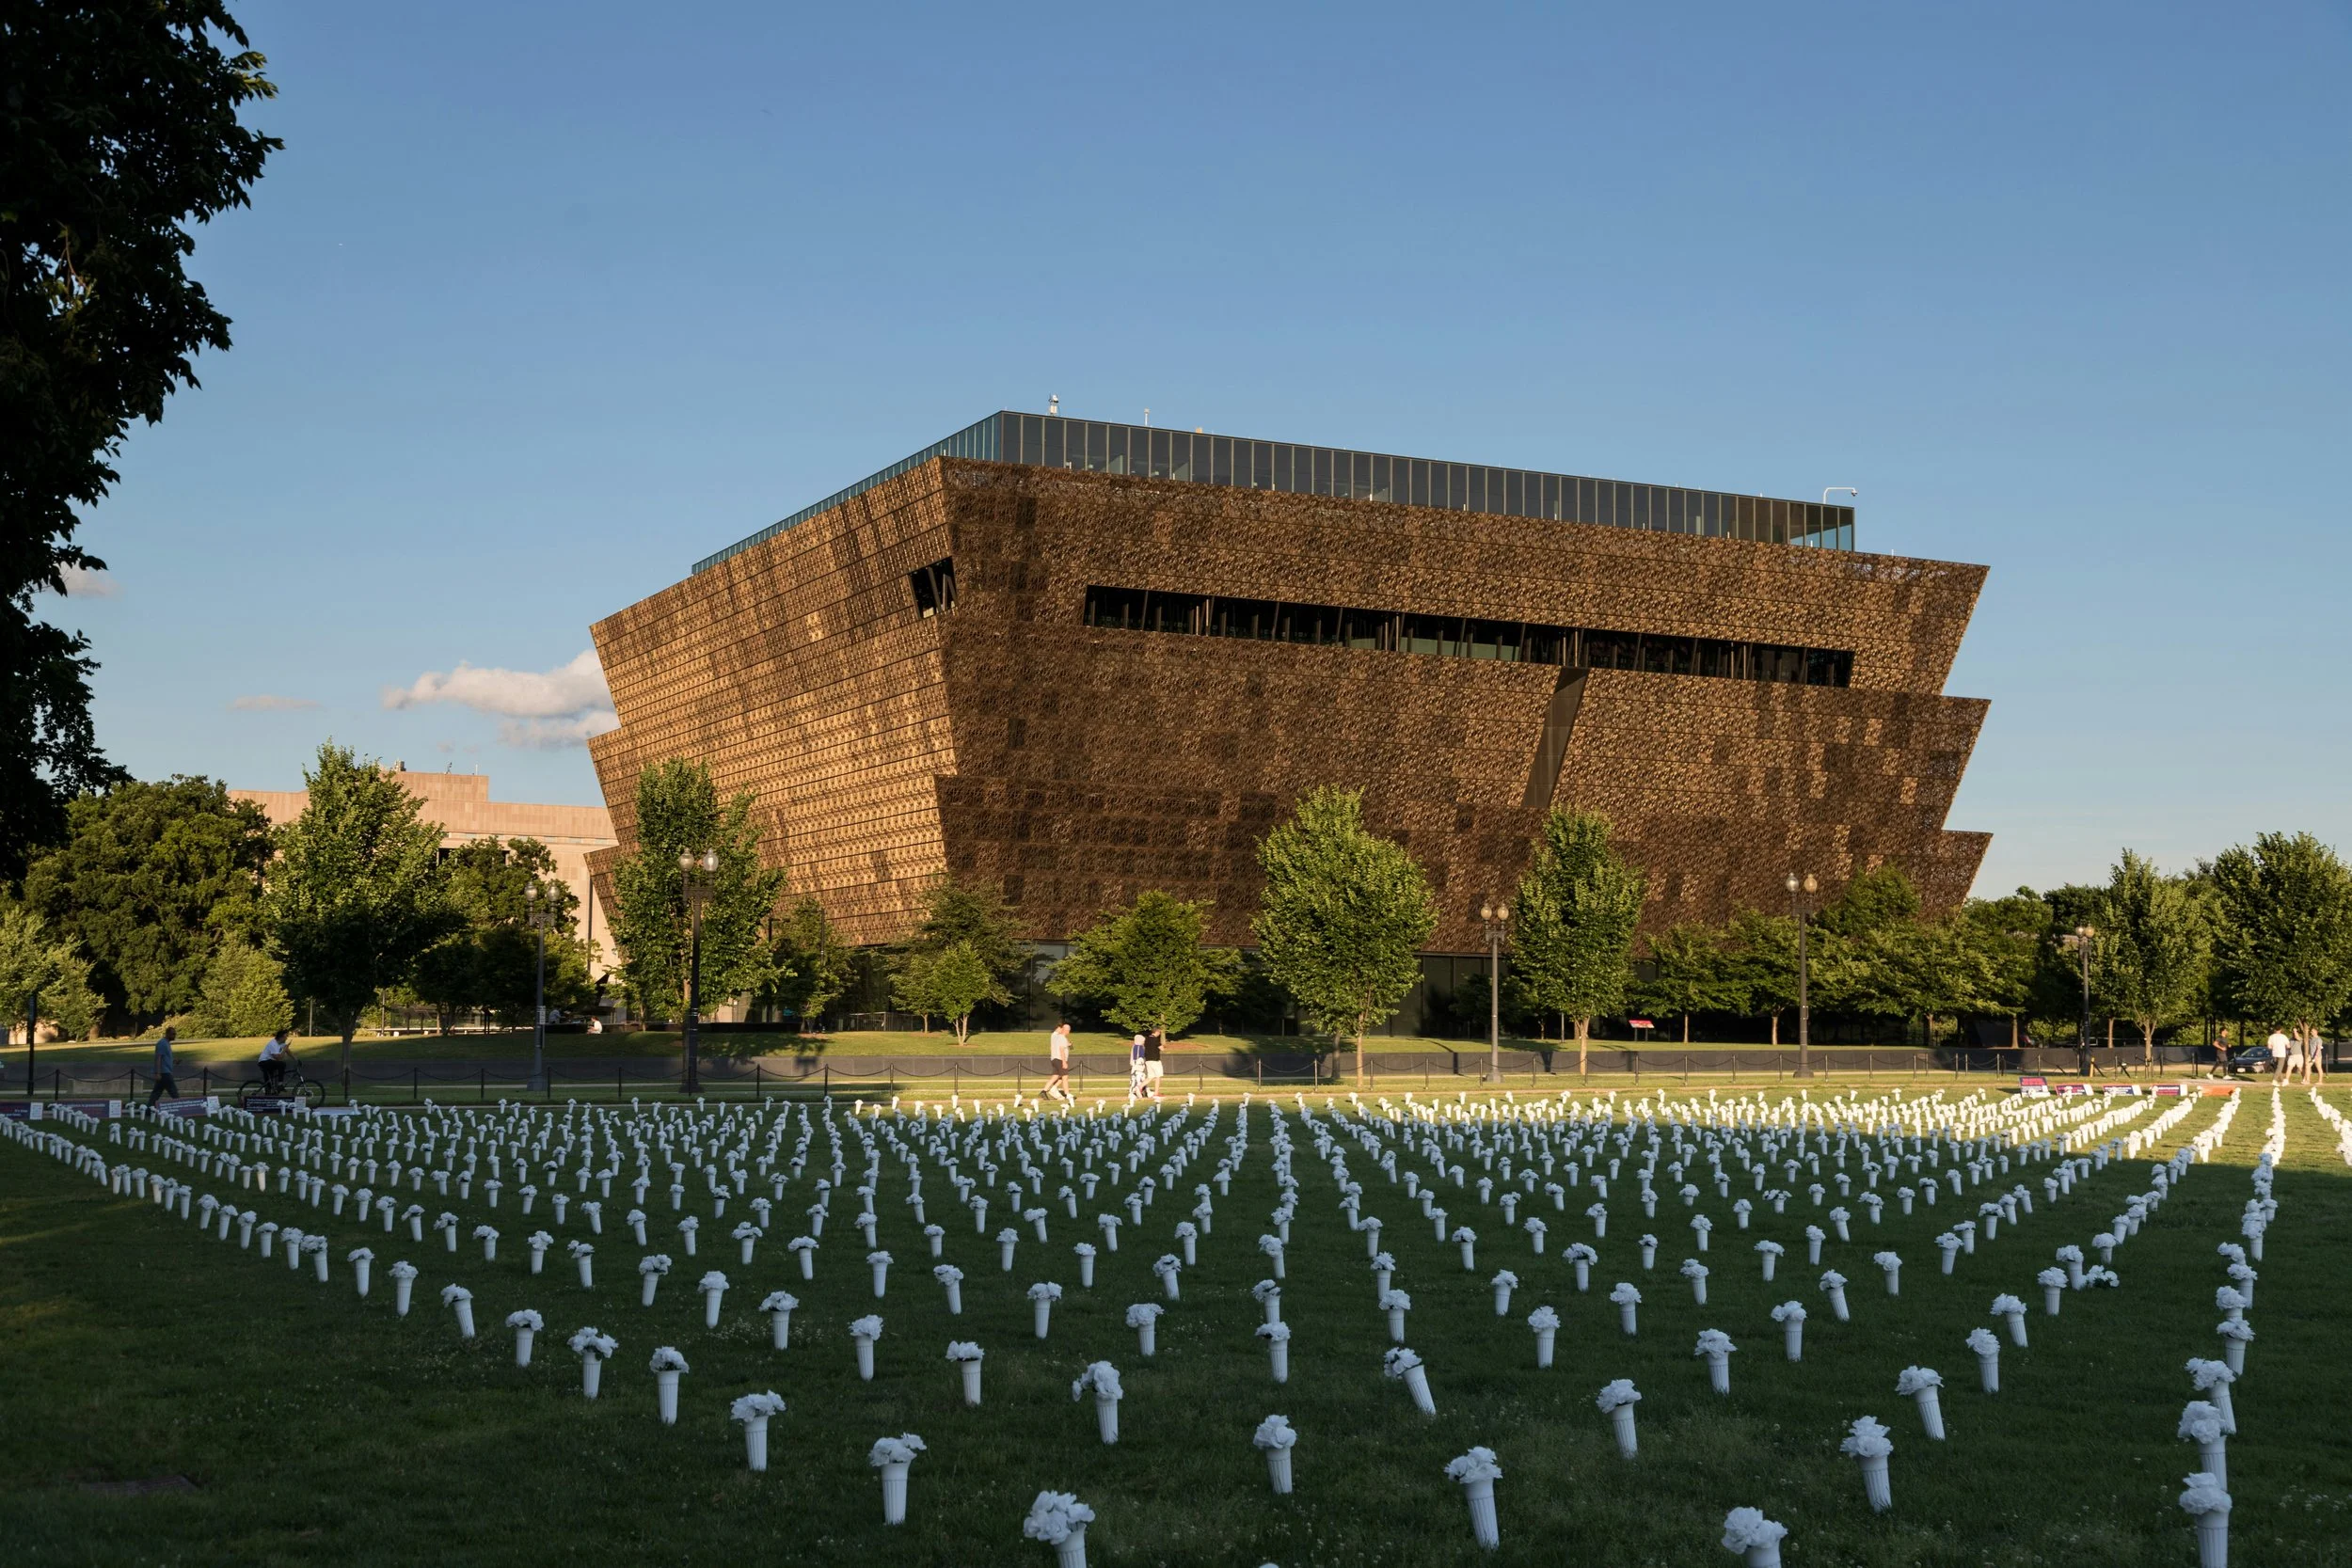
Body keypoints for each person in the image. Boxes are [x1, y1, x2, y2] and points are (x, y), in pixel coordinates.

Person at [148, 1025, 179, 1108]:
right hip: (164, 1073)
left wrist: (173, 1061)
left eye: (175, 1034)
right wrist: (158, 1073)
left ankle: (149, 1110)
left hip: (165, 1072)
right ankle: (180, 1109)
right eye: (172, 1034)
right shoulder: (162, 1043)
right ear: (167, 1034)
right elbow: (158, 1058)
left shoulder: (166, 1043)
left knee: (156, 1093)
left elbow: (165, 1058)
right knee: (174, 1092)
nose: (174, 1036)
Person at [1045, 1022, 1073, 1102]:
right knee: (1065, 1077)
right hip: (1059, 1059)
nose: (1069, 1032)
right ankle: (1067, 1094)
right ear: (1065, 1030)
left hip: (1055, 1058)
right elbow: (1061, 1049)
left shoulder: (1057, 1037)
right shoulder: (1060, 1037)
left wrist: (1068, 1044)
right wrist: (1064, 1062)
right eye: (1069, 1030)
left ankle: (1050, 1089)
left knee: (1057, 1076)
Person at [259, 1028, 293, 1093]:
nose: (286, 1038)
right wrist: (284, 1050)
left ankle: (271, 1091)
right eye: (286, 1037)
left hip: (269, 1061)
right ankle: (280, 1085)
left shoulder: (280, 1043)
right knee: (282, 1064)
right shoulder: (273, 1044)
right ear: (281, 1037)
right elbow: (278, 1058)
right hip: (264, 1062)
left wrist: (296, 1059)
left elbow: (288, 1051)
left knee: (271, 1081)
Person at [1143, 1029, 1165, 1100]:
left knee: (1150, 1076)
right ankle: (1156, 1093)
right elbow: (1162, 1048)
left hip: (1148, 1060)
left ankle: (1139, 1087)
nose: (1159, 1033)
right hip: (1155, 1060)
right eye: (1159, 1032)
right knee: (1158, 1076)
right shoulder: (1155, 1039)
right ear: (1156, 1032)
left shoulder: (1147, 1039)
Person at [1128, 1034, 1147, 1100]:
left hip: (1136, 1066)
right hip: (1138, 1066)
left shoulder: (1135, 1046)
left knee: (1137, 1079)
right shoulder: (1139, 1047)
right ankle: (1134, 1092)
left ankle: (1139, 1091)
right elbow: (1139, 1057)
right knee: (1137, 1079)